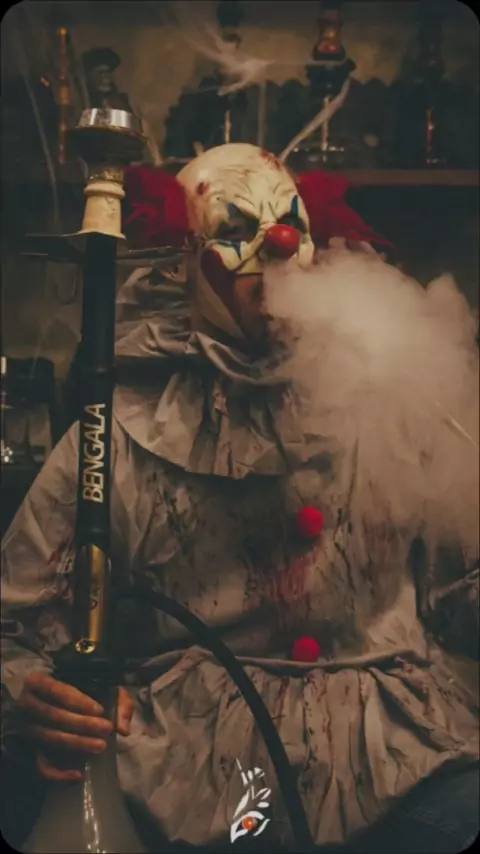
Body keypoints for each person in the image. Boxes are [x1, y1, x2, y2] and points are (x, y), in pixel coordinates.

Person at [1, 144, 478, 853]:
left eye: (290, 222)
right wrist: (38, 696)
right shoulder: (119, 432)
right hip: (188, 772)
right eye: (236, 229)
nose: (278, 243)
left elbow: (461, 589)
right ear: (186, 261)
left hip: (399, 760)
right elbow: (16, 626)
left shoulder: (396, 393)